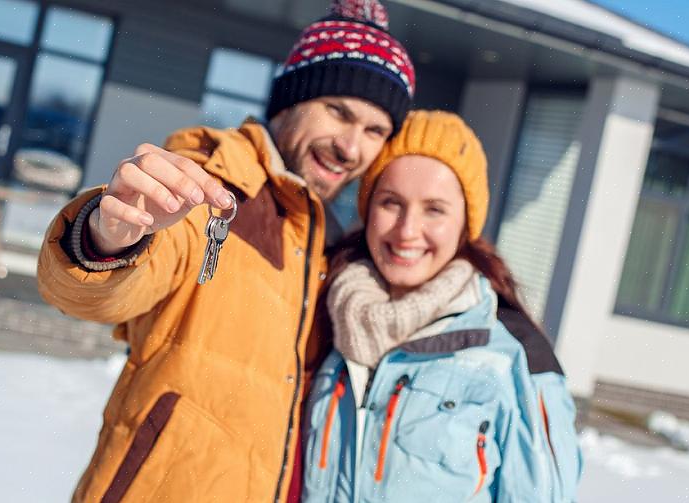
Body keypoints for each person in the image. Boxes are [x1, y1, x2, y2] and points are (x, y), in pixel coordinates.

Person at [36, 1, 415, 501]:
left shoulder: (330, 243)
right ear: (290, 102)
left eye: (375, 131)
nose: (351, 147)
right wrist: (108, 237)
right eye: (338, 111)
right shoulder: (209, 190)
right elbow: (98, 295)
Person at [300, 110, 582, 502]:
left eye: (434, 209)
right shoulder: (326, 315)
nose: (407, 230)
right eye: (390, 203)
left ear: (465, 223)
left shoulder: (514, 356)